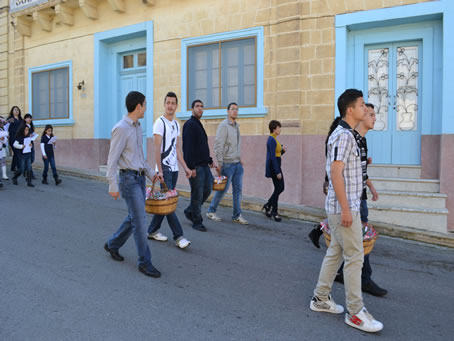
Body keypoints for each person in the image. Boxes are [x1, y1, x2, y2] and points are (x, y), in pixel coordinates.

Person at [309, 89, 383, 333]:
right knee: (355, 257)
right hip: (344, 207)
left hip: (344, 206)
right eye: (362, 105)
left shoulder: (349, 135)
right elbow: (336, 174)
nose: (366, 109)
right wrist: (346, 209)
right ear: (350, 110)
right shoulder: (344, 136)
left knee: (335, 252)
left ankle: (320, 298)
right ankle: (355, 312)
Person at [105, 91, 161, 278]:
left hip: (139, 178)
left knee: (134, 217)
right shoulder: (121, 128)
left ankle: (113, 244)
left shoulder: (137, 127)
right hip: (128, 180)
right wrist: (113, 185)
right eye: (145, 104)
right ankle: (145, 262)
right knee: (140, 221)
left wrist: (151, 174)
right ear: (138, 106)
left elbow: (139, 158)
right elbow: (112, 160)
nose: (146, 107)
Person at [147, 91, 192, 249]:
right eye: (168, 103)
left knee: (166, 202)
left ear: (176, 105)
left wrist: (185, 167)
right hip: (164, 169)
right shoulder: (159, 123)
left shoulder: (176, 124)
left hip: (173, 169)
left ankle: (152, 230)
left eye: (173, 103)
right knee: (168, 202)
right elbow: (157, 149)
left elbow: (177, 148)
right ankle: (179, 237)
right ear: (164, 104)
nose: (170, 106)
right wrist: (159, 170)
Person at [206, 103, 248, 225]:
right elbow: (218, 145)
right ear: (228, 111)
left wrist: (240, 158)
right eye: (232, 109)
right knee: (222, 190)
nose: (235, 111)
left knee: (238, 190)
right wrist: (219, 163)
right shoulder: (224, 126)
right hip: (227, 164)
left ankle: (237, 215)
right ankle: (211, 210)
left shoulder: (236, 126)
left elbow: (236, 145)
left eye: (236, 109)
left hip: (237, 164)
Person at [182, 99, 216, 232]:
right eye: (197, 106)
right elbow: (188, 148)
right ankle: (197, 221)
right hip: (196, 166)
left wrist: (209, 159)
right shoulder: (190, 124)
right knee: (197, 193)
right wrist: (190, 168)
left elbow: (201, 146)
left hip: (204, 165)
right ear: (192, 109)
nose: (200, 108)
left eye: (202, 106)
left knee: (207, 188)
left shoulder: (198, 124)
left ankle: (190, 210)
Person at [263, 120, 286, 222]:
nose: (280, 129)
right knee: (279, 188)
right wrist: (277, 171)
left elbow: (277, 155)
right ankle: (274, 211)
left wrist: (282, 151)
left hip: (276, 165)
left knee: (279, 188)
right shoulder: (271, 140)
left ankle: (268, 205)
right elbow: (272, 157)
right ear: (274, 129)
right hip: (274, 167)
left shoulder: (275, 139)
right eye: (278, 127)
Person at [7, 106, 23, 172]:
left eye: (17, 110)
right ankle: (19, 168)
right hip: (12, 138)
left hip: (19, 138)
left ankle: (13, 167)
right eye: (15, 110)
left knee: (16, 153)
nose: (16, 111)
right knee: (17, 152)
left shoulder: (21, 119)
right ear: (12, 111)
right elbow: (5, 127)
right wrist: (6, 135)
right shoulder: (11, 119)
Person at [23, 114, 36, 179]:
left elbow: (32, 134)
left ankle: (25, 169)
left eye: (30, 118)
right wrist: (28, 136)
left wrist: (33, 135)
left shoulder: (31, 126)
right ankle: (30, 174)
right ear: (25, 119)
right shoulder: (23, 127)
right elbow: (22, 135)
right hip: (26, 145)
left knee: (32, 158)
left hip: (31, 143)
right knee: (29, 159)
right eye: (28, 118)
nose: (29, 119)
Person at [0, 117, 8, 186]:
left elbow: (5, 140)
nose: (2, 124)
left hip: (1, 150)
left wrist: (2, 139)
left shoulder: (2, 130)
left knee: (2, 162)